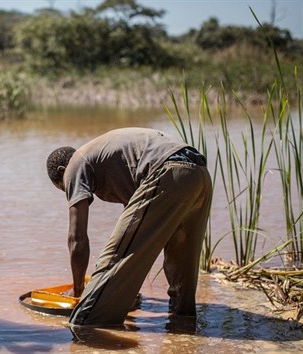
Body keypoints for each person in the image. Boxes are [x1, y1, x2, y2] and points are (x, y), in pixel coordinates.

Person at [46, 127, 212, 327]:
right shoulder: (106, 159)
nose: (70, 190)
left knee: (88, 317)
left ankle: (87, 327)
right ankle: (182, 328)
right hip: (198, 172)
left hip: (168, 169)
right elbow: (136, 235)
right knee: (182, 260)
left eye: (64, 187)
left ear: (63, 172)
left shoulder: (74, 165)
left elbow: (77, 240)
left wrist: (79, 289)